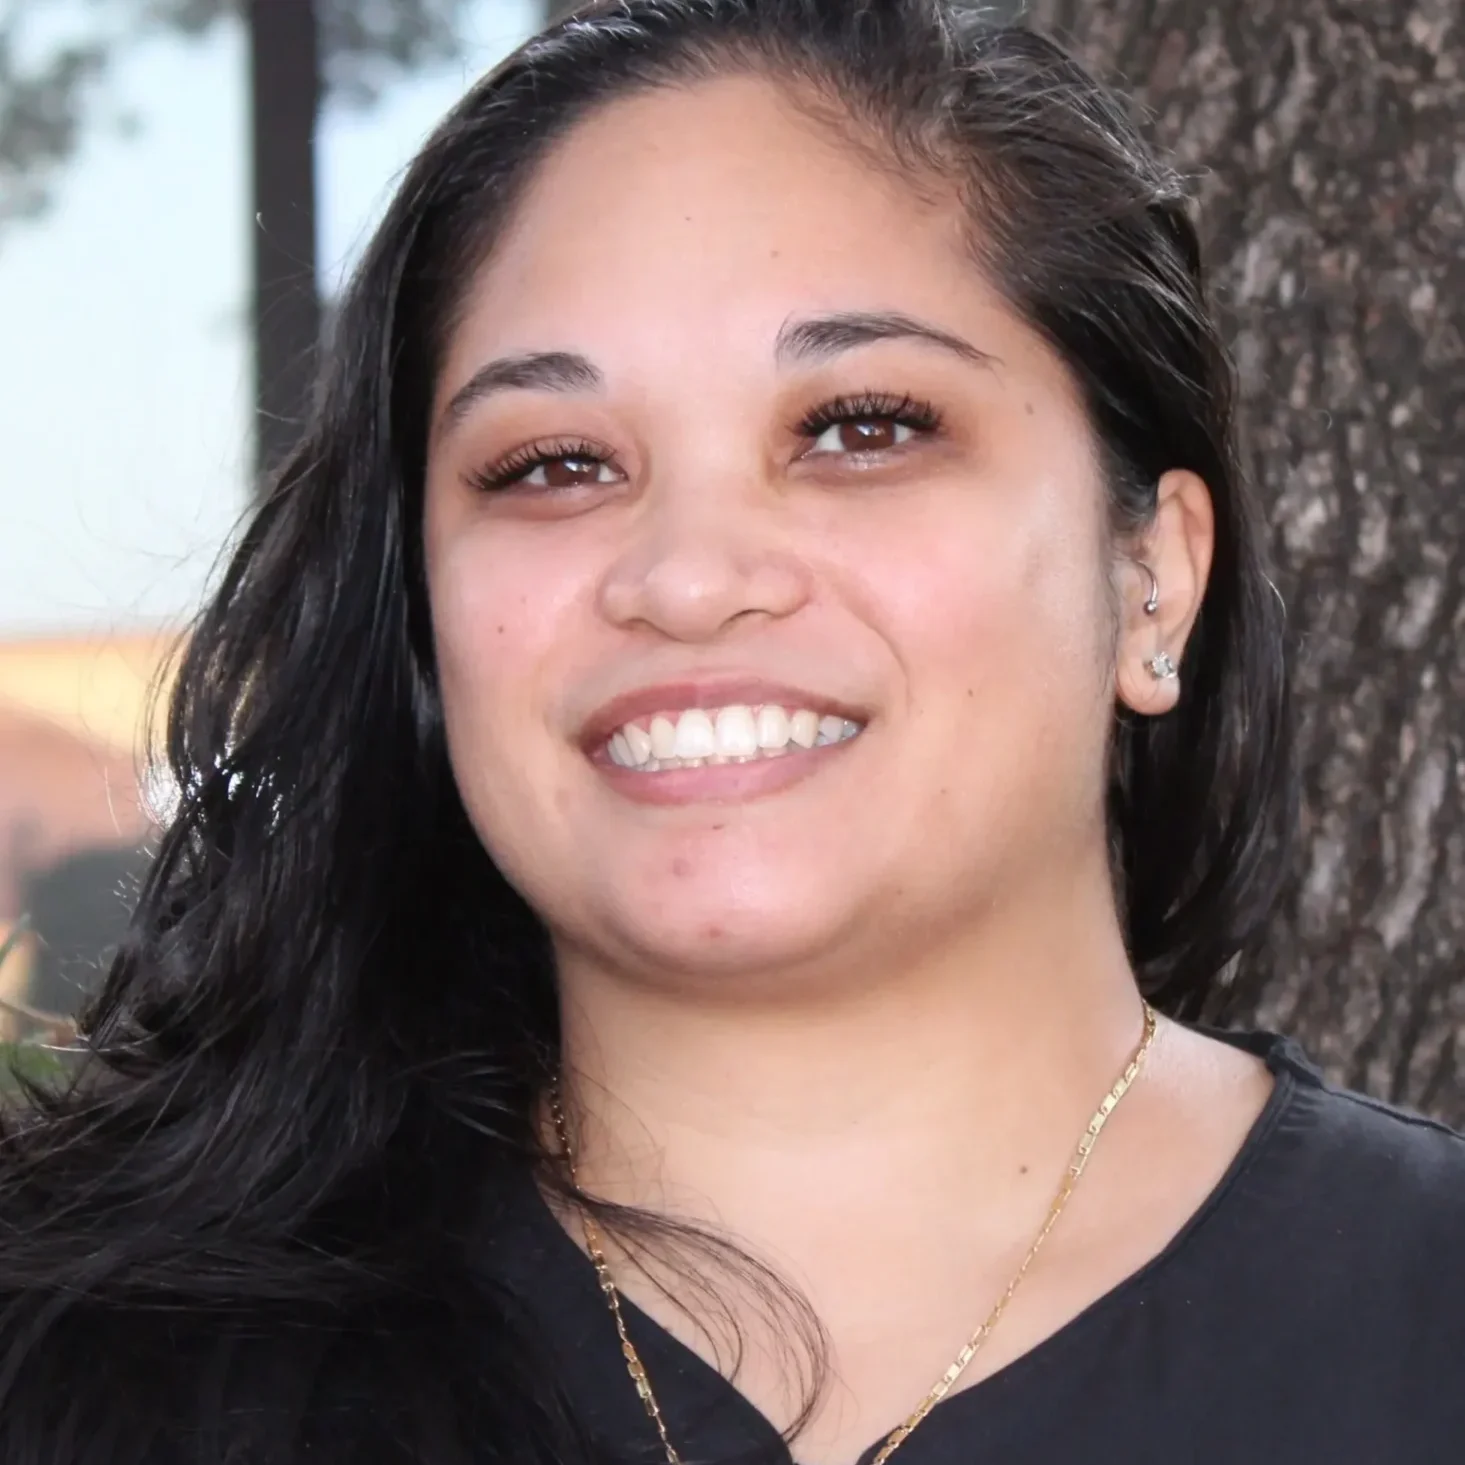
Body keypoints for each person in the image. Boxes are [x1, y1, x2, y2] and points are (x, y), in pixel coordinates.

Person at [2, 1, 1462, 1460]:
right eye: (557, 464)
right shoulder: (88, 1369)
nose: (688, 577)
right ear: (422, 614)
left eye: (860, 427)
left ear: (1153, 575)